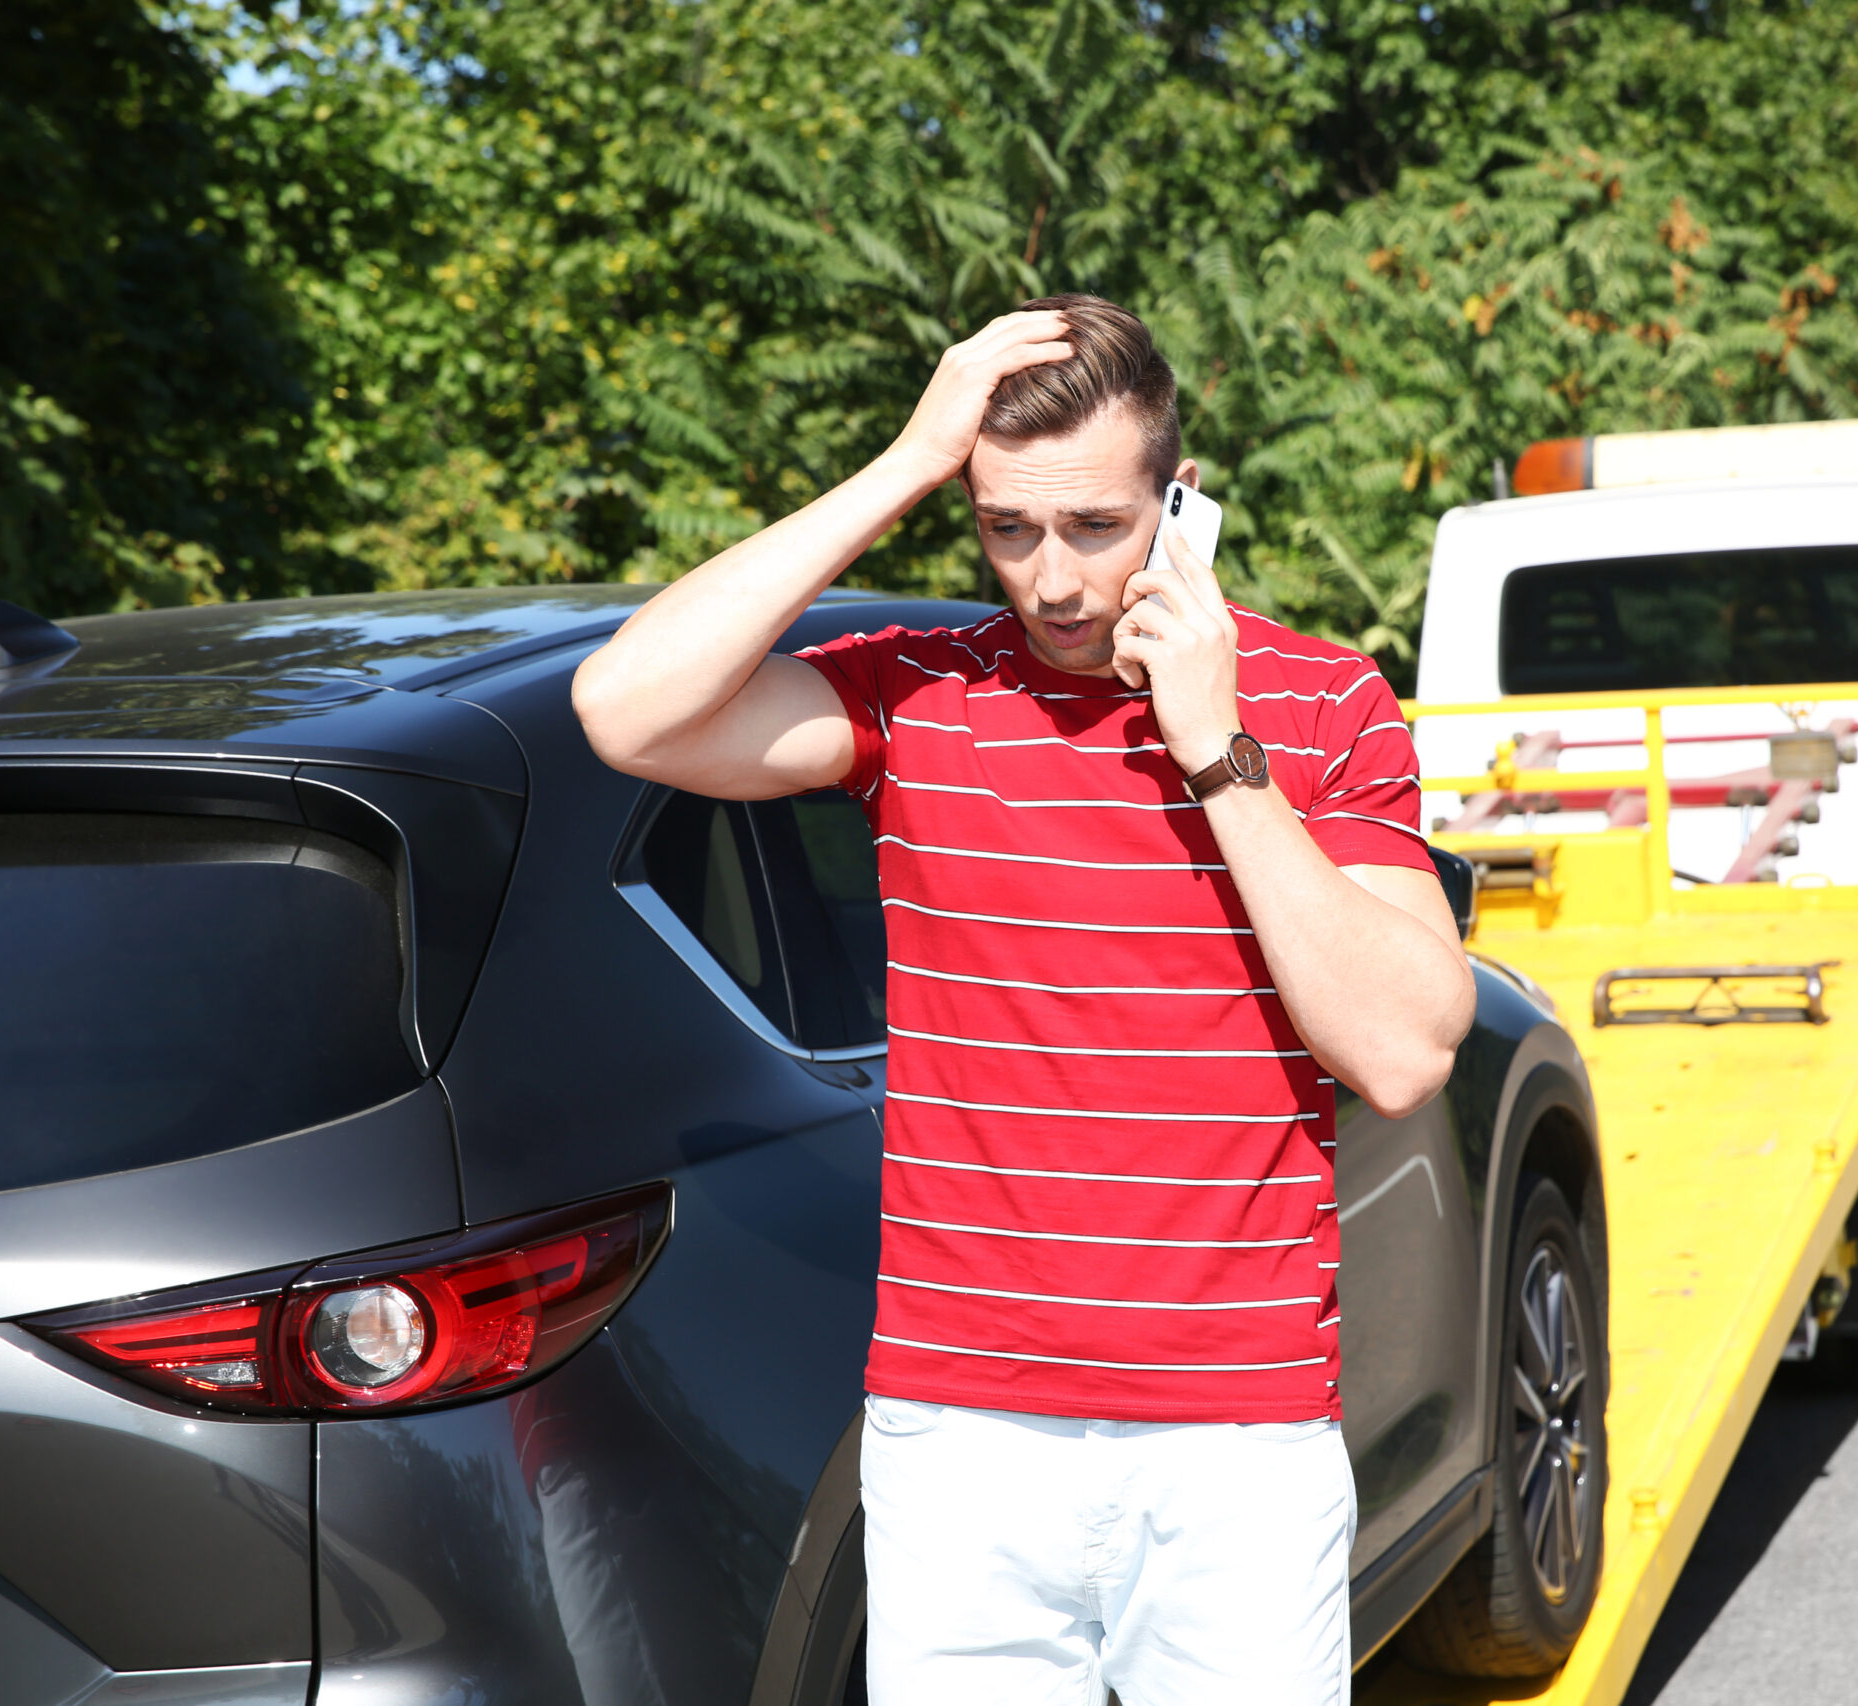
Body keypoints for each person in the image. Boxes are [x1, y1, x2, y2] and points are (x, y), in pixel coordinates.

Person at [572, 295, 1475, 1705]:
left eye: (1097, 529)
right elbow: (625, 708)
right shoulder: (921, 695)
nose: (1049, 582)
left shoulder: (1317, 703)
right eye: (1006, 528)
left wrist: (1216, 749)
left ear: (1178, 504)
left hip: (1232, 1444)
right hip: (962, 1442)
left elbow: (1405, 1047)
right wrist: (906, 462)